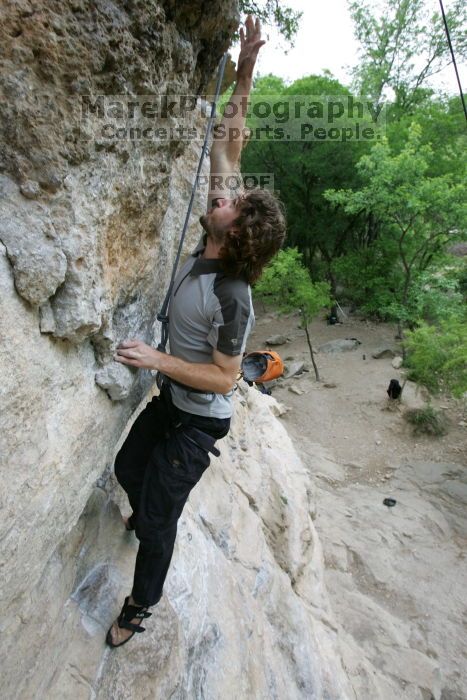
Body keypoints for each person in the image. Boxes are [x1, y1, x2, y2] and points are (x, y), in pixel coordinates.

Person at [107, 15, 286, 648]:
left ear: (237, 235)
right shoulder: (216, 239)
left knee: (157, 520)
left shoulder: (232, 298)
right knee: (130, 467)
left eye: (232, 205)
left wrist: (156, 358)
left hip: (198, 420)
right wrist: (246, 67)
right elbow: (230, 143)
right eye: (230, 198)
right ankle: (144, 518)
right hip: (172, 403)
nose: (223, 196)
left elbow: (224, 376)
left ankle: (140, 606)